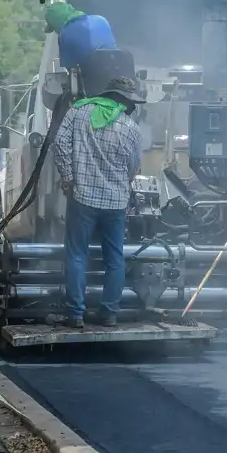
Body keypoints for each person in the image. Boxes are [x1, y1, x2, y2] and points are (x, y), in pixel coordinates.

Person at [52, 76, 146, 328]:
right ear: (124, 100)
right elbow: (134, 168)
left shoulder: (79, 111)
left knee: (76, 255)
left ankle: (75, 314)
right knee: (115, 258)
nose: (132, 107)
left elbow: (59, 144)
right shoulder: (131, 129)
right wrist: (120, 184)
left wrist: (69, 178)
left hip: (82, 198)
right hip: (115, 202)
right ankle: (109, 313)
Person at [45, 1, 117, 72]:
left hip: (94, 78)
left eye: (54, 29)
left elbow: (71, 69)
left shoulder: (65, 34)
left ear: (57, 23)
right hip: (119, 71)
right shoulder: (101, 19)